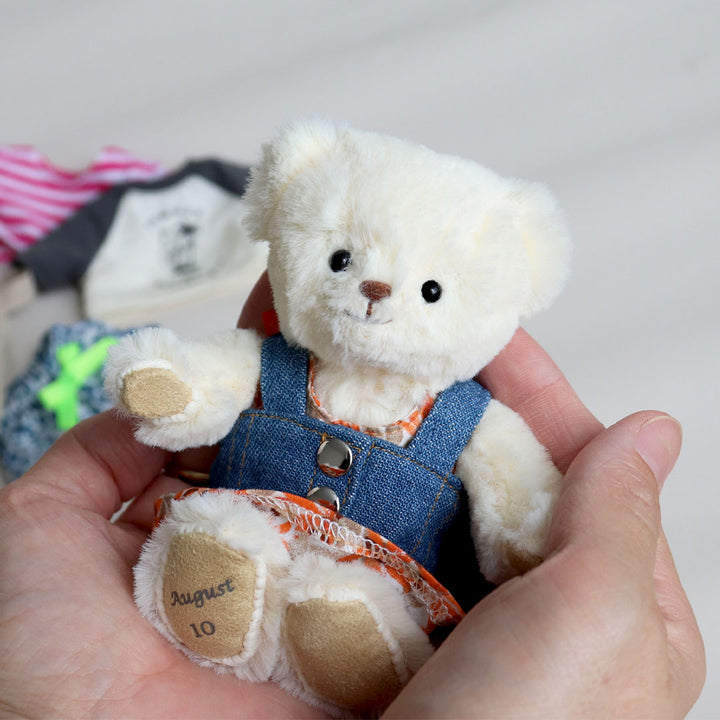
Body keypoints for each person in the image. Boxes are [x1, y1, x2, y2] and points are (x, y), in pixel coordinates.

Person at [0, 276, 705, 718]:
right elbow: (209, 379)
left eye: (430, 289)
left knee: (342, 603)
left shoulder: (469, 417)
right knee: (217, 538)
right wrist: (177, 390)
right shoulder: (272, 361)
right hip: (251, 523)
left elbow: (512, 484)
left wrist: (527, 541)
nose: (374, 290)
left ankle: (345, 643)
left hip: (380, 574)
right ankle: (216, 587)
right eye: (342, 261)